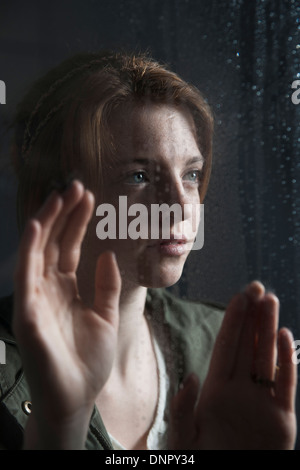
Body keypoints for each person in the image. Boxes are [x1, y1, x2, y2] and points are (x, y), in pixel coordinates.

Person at [0, 50, 297, 450]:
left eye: (191, 174)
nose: (180, 206)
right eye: (138, 176)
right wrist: (58, 428)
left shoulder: (226, 349)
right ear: (57, 196)